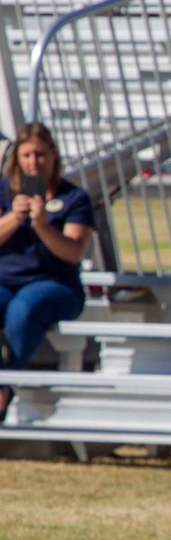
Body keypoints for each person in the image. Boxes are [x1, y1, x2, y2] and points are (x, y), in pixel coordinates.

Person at [0, 122, 94, 424]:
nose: (33, 163)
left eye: (40, 155)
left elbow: (73, 252)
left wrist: (42, 225)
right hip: (6, 280)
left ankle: (5, 382)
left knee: (23, 310)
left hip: (55, 283)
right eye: (26, 156)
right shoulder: (5, 193)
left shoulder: (74, 197)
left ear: (53, 155)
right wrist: (16, 217)